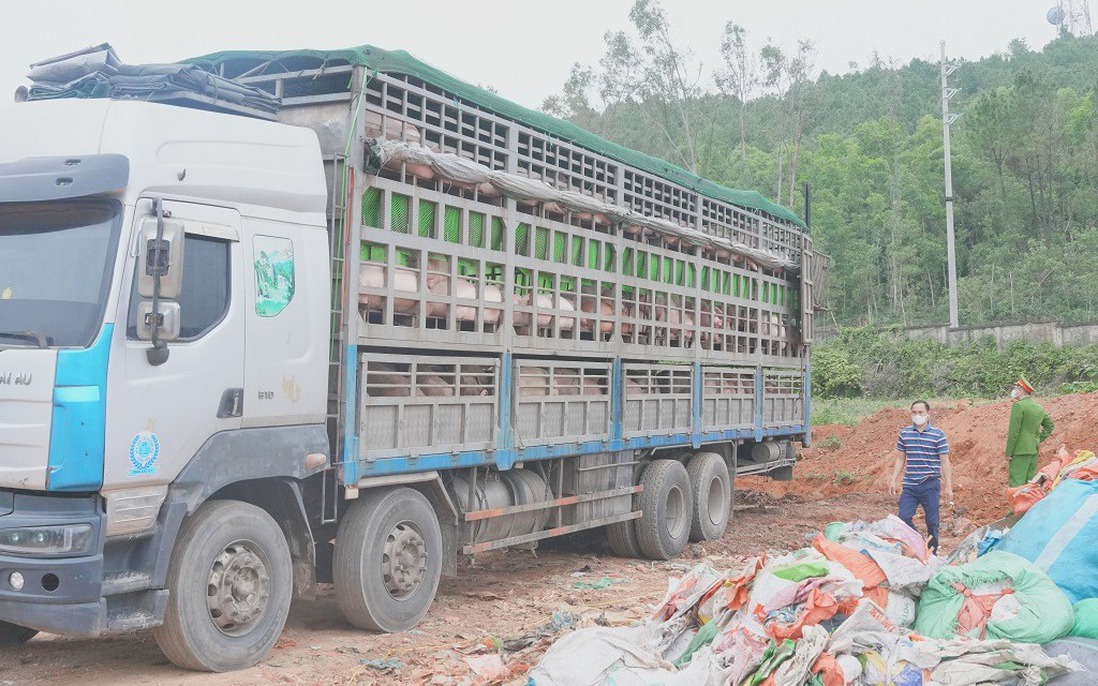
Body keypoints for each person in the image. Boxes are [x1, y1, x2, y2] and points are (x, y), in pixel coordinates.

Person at [889, 400, 953, 553]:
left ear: (928, 414)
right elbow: (900, 458)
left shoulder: (938, 435)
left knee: (932, 522)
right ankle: (919, 541)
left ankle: (932, 553)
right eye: (914, 412)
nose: (917, 416)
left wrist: (948, 486)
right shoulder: (904, 434)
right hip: (910, 484)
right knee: (903, 518)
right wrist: (893, 479)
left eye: (921, 413)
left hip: (930, 483)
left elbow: (945, 461)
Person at [1005, 376, 1054, 487]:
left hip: (1019, 451)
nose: (1013, 391)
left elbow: (1014, 432)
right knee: (1029, 484)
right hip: (1033, 450)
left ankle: (1015, 505)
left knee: (1016, 485)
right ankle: (1029, 505)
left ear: (1021, 390)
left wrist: (1008, 452)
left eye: (1015, 388)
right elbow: (1050, 426)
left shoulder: (1018, 406)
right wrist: (1037, 439)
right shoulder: (1038, 408)